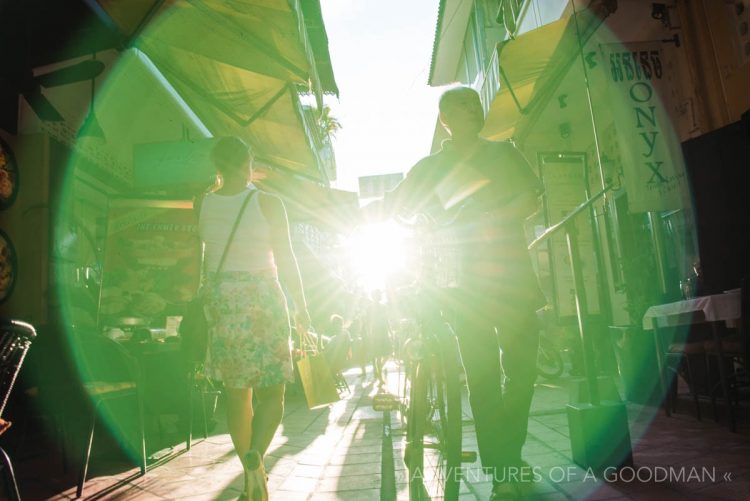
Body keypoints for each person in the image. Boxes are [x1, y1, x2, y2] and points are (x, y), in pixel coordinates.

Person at [366, 86, 545, 500]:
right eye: (463, 106)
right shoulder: (430, 167)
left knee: (523, 372)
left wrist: (492, 215)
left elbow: (528, 200)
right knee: (482, 379)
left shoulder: (504, 153)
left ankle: (508, 456)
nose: (474, 110)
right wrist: (364, 215)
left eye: (475, 104)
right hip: (463, 287)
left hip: (513, 277)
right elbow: (396, 204)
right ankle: (503, 470)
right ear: (445, 119)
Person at [197, 136, 310, 501]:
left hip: (224, 302)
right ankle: (255, 458)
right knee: (273, 392)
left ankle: (250, 472)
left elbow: (198, 260)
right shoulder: (269, 203)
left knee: (236, 394)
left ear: (217, 165)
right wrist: (302, 310)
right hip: (264, 299)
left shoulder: (202, 203)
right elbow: (287, 259)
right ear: (249, 163)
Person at [365, 289, 392, 384]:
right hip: (377, 333)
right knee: (379, 356)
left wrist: (390, 332)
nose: (380, 296)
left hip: (382, 332)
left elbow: (386, 320)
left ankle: (378, 370)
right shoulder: (370, 308)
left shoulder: (383, 307)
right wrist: (369, 334)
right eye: (379, 295)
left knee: (386, 353)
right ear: (375, 296)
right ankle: (380, 377)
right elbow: (368, 322)